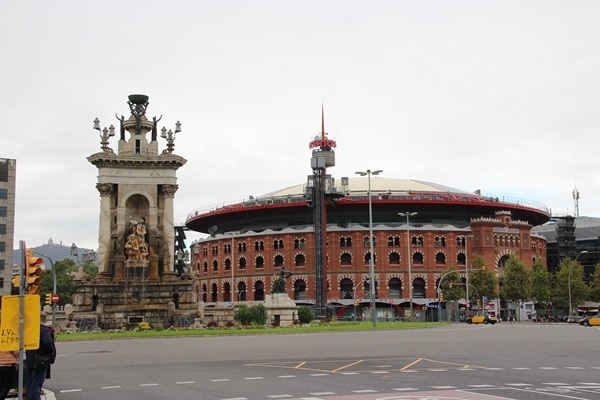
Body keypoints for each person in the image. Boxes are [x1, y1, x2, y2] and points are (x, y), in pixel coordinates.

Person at [25, 311, 56, 400]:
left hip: (30, 358)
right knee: (37, 383)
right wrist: (51, 352)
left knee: (30, 383)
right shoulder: (44, 330)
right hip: (40, 359)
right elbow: (47, 342)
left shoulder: (30, 329)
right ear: (45, 320)